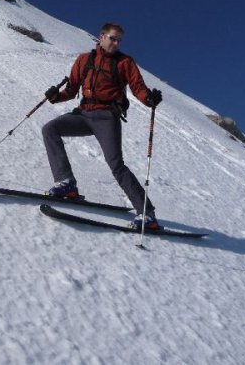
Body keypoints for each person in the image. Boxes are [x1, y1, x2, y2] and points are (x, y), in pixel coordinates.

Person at [42, 23, 164, 230]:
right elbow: (71, 89)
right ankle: (66, 183)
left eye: (119, 41)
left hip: (107, 118)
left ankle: (147, 214)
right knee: (50, 129)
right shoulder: (84, 60)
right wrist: (56, 97)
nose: (115, 44)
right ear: (101, 36)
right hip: (83, 115)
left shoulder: (125, 62)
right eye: (112, 38)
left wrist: (149, 99)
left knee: (116, 164)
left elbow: (138, 87)